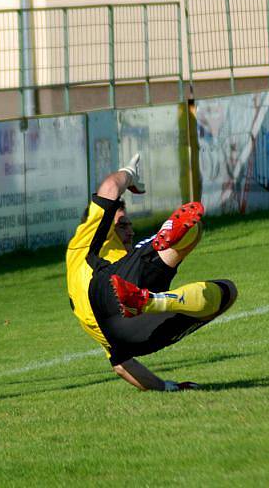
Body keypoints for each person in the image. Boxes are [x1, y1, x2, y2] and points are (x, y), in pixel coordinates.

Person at [65, 154, 238, 391]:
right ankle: (161, 245)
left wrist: (166, 386)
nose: (129, 230)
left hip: (127, 335)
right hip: (106, 287)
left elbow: (122, 366)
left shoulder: (82, 292)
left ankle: (154, 300)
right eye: (122, 225)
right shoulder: (85, 241)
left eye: (129, 225)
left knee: (227, 292)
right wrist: (130, 174)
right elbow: (110, 186)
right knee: (193, 226)